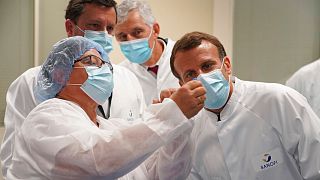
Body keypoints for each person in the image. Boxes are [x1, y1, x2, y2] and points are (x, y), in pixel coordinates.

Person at [6, 36, 206, 179]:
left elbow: (164, 175)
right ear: (60, 74)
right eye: (91, 62)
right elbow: (98, 161)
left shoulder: (110, 128)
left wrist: (178, 129)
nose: (103, 70)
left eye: (105, 65)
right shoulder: (47, 117)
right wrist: (170, 114)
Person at [0, 0, 146, 177]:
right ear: (70, 27)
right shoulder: (31, 82)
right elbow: (13, 159)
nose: (105, 35)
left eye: (109, 28)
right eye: (95, 25)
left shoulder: (128, 79)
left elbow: (140, 145)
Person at [169, 31, 320, 179]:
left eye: (207, 65)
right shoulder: (190, 131)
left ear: (226, 65)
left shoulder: (279, 101)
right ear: (182, 84)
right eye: (190, 74)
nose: (201, 77)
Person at [114, 0, 180, 105]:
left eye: (137, 32)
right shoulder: (120, 75)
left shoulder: (184, 57)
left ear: (155, 30)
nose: (130, 41)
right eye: (122, 36)